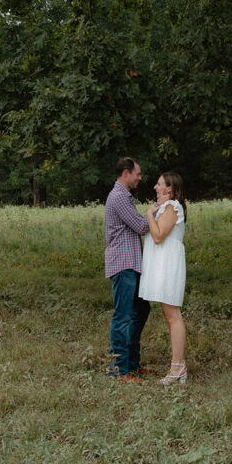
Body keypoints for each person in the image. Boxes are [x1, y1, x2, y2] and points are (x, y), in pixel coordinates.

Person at [104, 157, 155, 381]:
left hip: (131, 264)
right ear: (126, 173)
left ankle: (132, 365)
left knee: (141, 311)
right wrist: (155, 210)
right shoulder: (119, 197)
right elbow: (142, 226)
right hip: (123, 265)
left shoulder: (124, 196)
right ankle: (118, 371)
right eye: (138, 173)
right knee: (123, 316)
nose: (140, 178)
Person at [139, 171, 188, 386]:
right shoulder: (165, 208)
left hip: (169, 266)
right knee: (170, 316)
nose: (155, 188)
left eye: (159, 185)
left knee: (173, 316)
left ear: (169, 188)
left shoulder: (172, 207)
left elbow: (159, 236)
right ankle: (178, 366)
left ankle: (178, 367)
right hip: (162, 265)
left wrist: (149, 215)